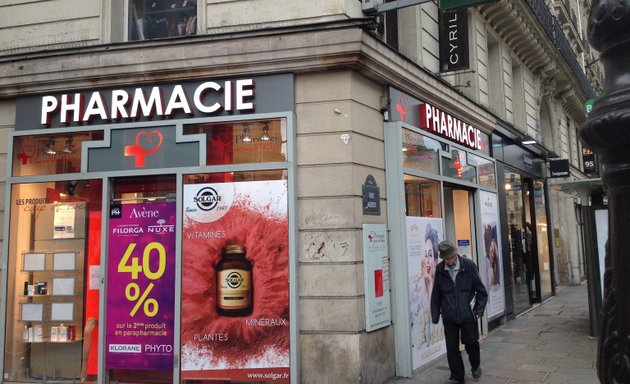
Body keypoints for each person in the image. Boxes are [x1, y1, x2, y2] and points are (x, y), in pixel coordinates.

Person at [431, 240, 488, 384]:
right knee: (451, 347)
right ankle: (457, 377)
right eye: (445, 258)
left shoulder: (468, 266)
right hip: (449, 316)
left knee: (471, 344)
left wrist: (478, 311)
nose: (448, 261)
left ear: (455, 254)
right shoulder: (439, 269)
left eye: (450, 258)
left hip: (468, 315)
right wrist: (435, 314)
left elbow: (482, 292)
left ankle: (475, 365)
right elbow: (436, 295)